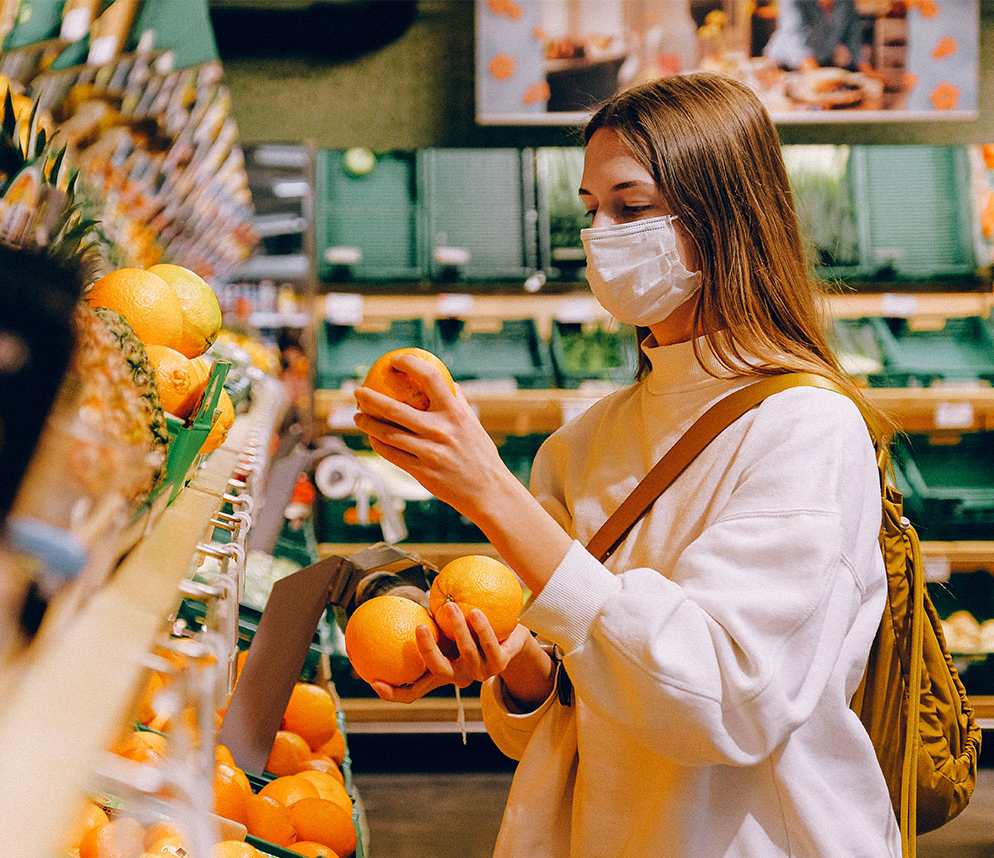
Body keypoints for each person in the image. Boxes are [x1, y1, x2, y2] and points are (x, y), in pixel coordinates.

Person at [352, 72, 900, 857]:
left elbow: (722, 700)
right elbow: (574, 697)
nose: (601, 233)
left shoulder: (807, 427)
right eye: (590, 210)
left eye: (631, 207)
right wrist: (511, 665)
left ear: (723, 216)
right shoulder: (584, 444)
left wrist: (487, 492)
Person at [764, 0, 867, 72]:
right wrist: (819, 81)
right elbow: (794, 37)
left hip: (820, 64)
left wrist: (867, 70)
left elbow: (853, 35)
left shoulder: (846, 2)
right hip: (785, 66)